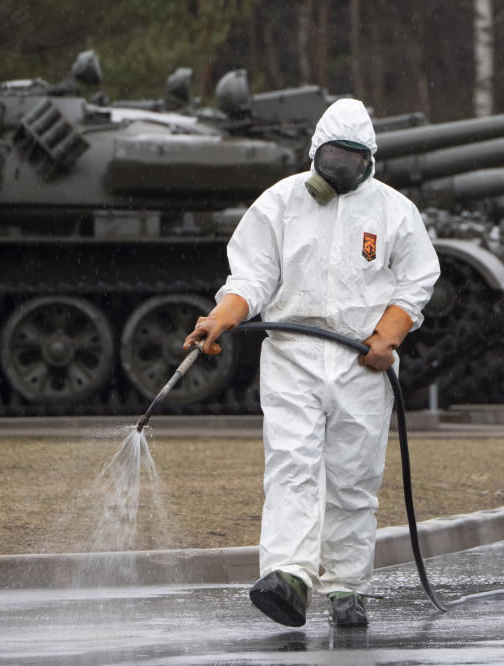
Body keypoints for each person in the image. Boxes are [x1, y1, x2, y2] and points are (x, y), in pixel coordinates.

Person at [184, 98, 440, 628]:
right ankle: (289, 576)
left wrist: (386, 337)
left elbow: (417, 279)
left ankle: (346, 587)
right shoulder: (280, 203)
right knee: (291, 465)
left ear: (369, 160)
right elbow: (251, 278)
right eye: (333, 160)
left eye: (352, 160)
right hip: (292, 355)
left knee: (352, 479)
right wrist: (221, 316)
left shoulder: (393, 211)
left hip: (362, 363)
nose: (342, 171)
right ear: (314, 155)